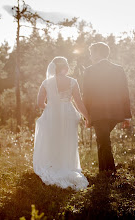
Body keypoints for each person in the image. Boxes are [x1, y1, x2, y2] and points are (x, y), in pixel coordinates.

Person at [33, 56, 90, 191]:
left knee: (52, 140)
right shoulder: (72, 82)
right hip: (68, 114)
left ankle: (54, 165)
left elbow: (40, 104)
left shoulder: (46, 83)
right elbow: (79, 102)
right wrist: (87, 117)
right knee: (68, 140)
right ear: (66, 67)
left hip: (52, 114)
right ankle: (67, 166)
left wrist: (51, 106)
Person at [83, 42, 132, 174]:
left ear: (98, 53)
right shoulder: (118, 69)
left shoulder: (89, 71)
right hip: (116, 113)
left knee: (103, 141)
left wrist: (86, 116)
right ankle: (104, 171)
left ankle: (109, 172)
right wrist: (126, 115)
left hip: (98, 113)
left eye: (91, 53)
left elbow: (86, 95)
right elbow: (124, 92)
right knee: (103, 139)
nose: (90, 56)